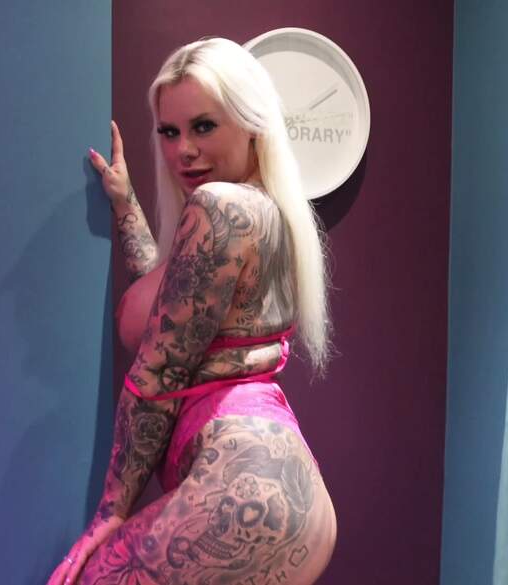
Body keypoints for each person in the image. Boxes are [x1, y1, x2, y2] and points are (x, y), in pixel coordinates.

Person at [48, 37, 337, 585]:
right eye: (169, 131)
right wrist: (126, 203)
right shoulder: (262, 210)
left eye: (204, 127)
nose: (183, 149)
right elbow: (171, 303)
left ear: (251, 124)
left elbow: (159, 370)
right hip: (281, 491)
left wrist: (110, 513)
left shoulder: (220, 207)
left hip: (243, 494)